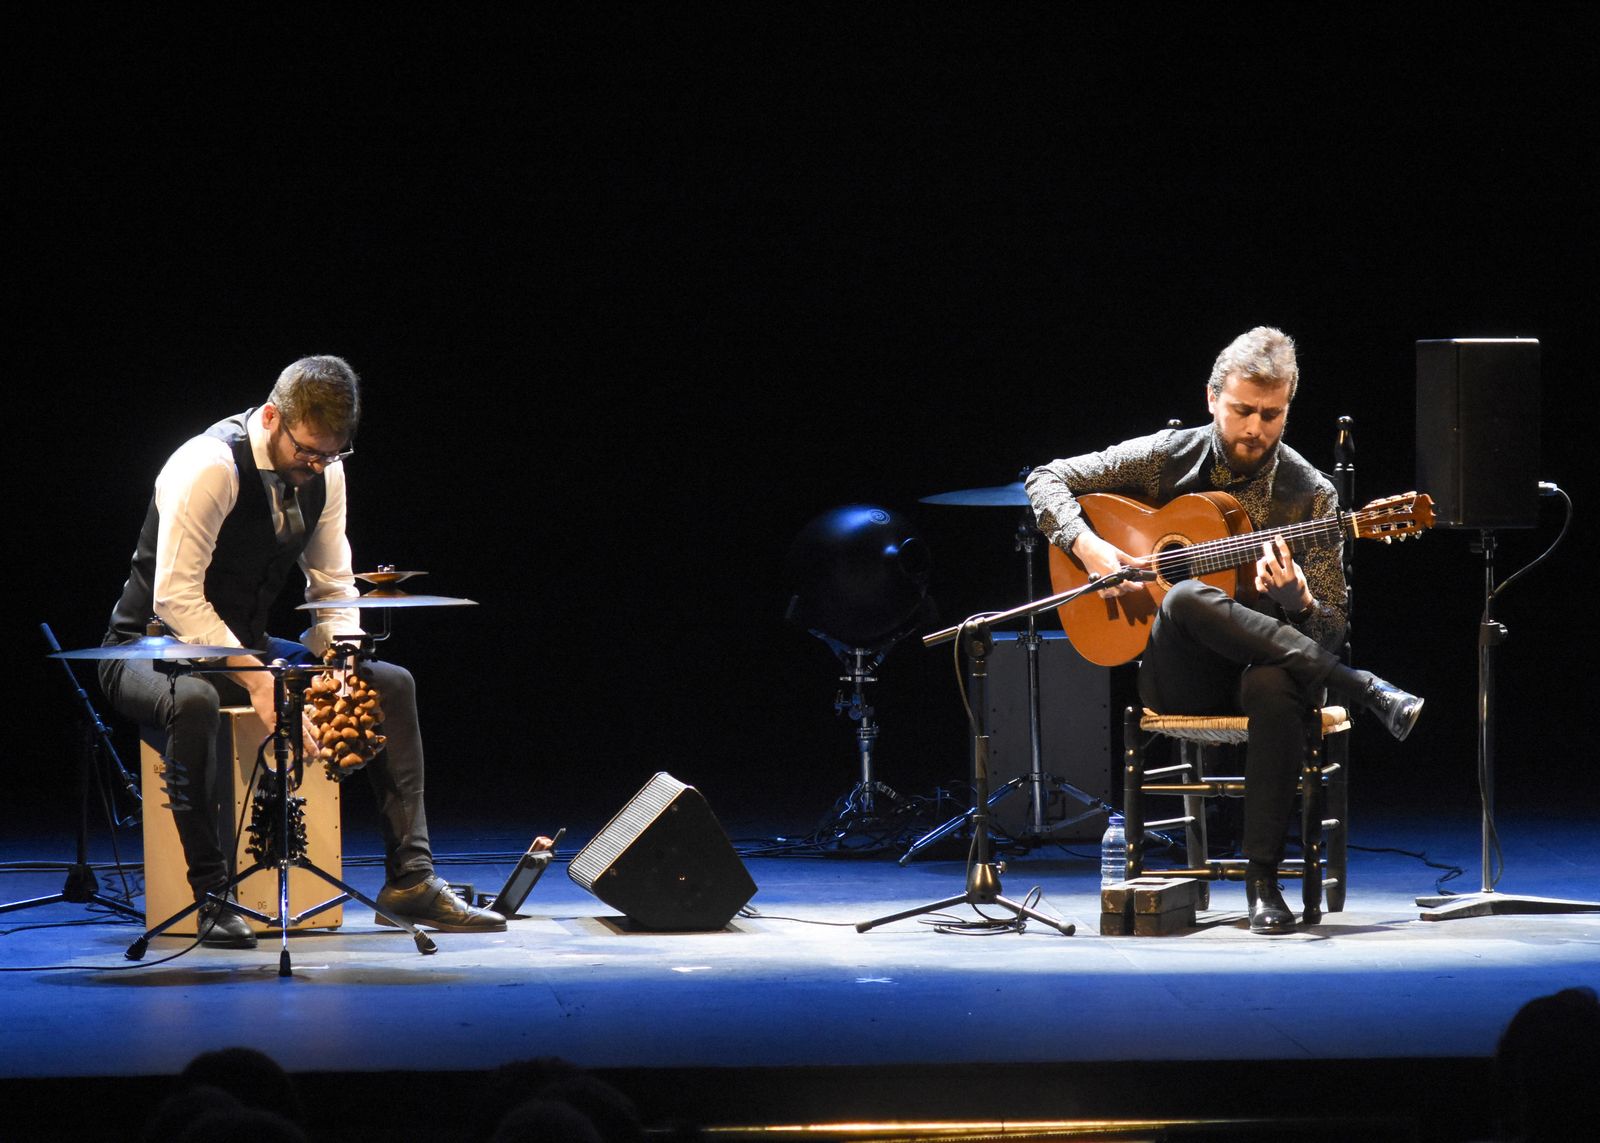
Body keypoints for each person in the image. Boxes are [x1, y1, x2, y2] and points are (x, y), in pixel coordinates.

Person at [1025, 327, 1424, 934]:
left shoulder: (1311, 495)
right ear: (1213, 398)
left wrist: (1297, 599)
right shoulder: (1167, 456)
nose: (1255, 428)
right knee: (1185, 595)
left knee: (1273, 685)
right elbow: (1046, 478)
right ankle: (1364, 688)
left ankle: (1263, 882)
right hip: (1178, 673)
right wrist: (1091, 547)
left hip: (1263, 675)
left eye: (1272, 414)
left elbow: (1331, 625)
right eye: (1242, 410)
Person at [99, 354, 505, 946]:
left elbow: (334, 586)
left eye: (331, 455)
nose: (316, 466)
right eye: (307, 452)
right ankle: (211, 893)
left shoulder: (325, 474)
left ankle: (411, 881)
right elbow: (177, 598)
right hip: (147, 647)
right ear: (271, 418)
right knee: (192, 703)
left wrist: (339, 658)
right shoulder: (208, 466)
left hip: (248, 644)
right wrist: (259, 678)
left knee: (389, 683)